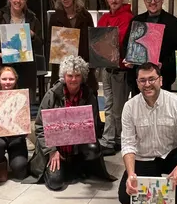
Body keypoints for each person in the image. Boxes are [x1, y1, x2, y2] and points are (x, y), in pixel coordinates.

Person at [118, 62, 177, 204]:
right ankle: (153, 201)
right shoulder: (129, 107)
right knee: (125, 197)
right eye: (142, 80)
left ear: (161, 80)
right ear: (137, 83)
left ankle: (176, 201)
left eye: (151, 79)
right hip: (144, 157)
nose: (147, 84)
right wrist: (131, 174)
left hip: (169, 153)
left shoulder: (176, 102)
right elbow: (128, 144)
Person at [31, 55, 115, 191]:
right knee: (55, 183)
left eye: (77, 75)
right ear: (64, 76)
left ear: (83, 77)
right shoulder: (52, 95)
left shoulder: (89, 95)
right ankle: (58, 166)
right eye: (70, 75)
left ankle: (78, 163)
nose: (74, 79)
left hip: (78, 147)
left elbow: (93, 125)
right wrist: (51, 151)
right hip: (56, 148)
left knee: (93, 148)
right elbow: (40, 127)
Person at [122, 0, 177, 94]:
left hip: (162, 79)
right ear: (144, 1)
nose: (153, 2)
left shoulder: (174, 23)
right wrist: (128, 59)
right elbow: (126, 45)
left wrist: (164, 64)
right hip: (139, 80)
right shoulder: (136, 21)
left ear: (162, 0)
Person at [0, 0, 43, 105]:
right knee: (2, 102)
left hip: (25, 68)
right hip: (2, 64)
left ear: (25, 1)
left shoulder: (32, 19)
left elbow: (40, 43)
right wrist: (0, 52)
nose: (18, 1)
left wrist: (32, 36)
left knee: (23, 102)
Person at [97, 0, 134, 157]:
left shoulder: (129, 18)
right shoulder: (103, 18)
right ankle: (112, 138)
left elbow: (122, 42)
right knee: (108, 105)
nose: (113, 0)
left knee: (118, 107)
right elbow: (98, 42)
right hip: (106, 68)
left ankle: (112, 139)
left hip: (121, 69)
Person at [48, 0, 97, 92]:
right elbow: (50, 42)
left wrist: (92, 64)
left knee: (85, 94)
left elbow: (92, 40)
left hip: (82, 60)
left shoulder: (85, 16)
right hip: (62, 63)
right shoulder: (55, 18)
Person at [0, 66, 31, 180]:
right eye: (4, 79)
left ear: (16, 80)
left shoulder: (23, 96)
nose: (7, 82)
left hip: (16, 139)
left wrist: (26, 127)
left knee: (20, 171)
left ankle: (16, 160)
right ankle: (1, 162)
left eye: (11, 79)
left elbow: (24, 128)